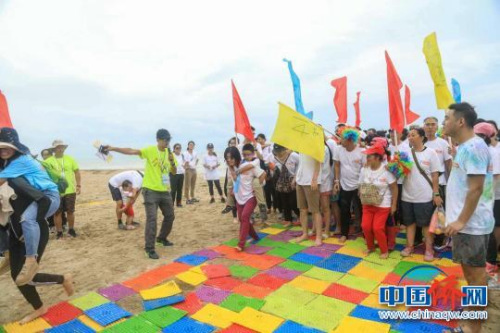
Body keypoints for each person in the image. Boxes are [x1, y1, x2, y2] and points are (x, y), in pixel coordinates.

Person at [443, 103, 494, 333]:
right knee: (472, 275)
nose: (444, 122)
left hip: (471, 226)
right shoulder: (466, 147)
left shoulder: (473, 147)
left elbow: (476, 189)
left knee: (475, 277)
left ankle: (472, 328)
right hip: (467, 225)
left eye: (446, 118)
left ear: (460, 122)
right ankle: (473, 316)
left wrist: (461, 221)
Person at [103, 129, 177, 259]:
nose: (167, 142)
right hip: (150, 190)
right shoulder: (150, 150)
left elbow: (174, 171)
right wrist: (113, 148)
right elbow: (131, 151)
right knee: (152, 219)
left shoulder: (170, 154)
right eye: (165, 139)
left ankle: (161, 238)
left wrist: (171, 161)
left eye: (168, 140)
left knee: (170, 216)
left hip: (164, 190)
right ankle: (149, 249)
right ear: (158, 140)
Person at [0, 128, 61, 286]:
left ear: (15, 147)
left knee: (27, 219)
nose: (3, 150)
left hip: (49, 196)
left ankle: (30, 261)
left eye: (6, 146)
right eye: (0, 147)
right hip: (40, 196)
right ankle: (8, 254)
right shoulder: (14, 161)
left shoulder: (20, 161)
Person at [400, 128, 442, 261]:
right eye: (409, 135)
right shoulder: (405, 152)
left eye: (413, 135)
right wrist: (395, 164)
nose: (410, 137)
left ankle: (429, 249)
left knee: (426, 225)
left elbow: (435, 175)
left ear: (422, 137)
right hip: (407, 195)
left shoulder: (431, 153)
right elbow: (399, 172)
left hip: (424, 196)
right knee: (409, 223)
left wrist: (436, 194)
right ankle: (409, 246)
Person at [359, 142, 398, 259]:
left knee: (377, 228)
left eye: (369, 156)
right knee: (365, 226)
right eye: (367, 156)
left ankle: (384, 250)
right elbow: (360, 184)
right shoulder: (364, 169)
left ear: (377, 157)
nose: (367, 158)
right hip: (367, 203)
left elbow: (394, 188)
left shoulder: (387, 170)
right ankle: (370, 247)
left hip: (383, 205)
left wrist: (394, 204)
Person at [472, 123, 500, 275]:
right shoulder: (479, 151)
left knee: (489, 229)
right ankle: (484, 258)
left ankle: (490, 261)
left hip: (488, 197)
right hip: (479, 196)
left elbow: (495, 177)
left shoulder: (492, 152)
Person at [226, 145, 265, 251]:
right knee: (243, 219)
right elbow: (234, 181)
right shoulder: (230, 168)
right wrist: (233, 190)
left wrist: (257, 185)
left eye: (231, 158)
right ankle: (255, 237)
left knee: (244, 217)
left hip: (251, 197)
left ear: (236, 156)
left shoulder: (248, 165)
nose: (229, 160)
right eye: (227, 158)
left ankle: (241, 244)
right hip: (239, 198)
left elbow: (263, 174)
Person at [42, 140, 81, 239]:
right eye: (58, 147)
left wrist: (78, 185)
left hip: (70, 190)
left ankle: (71, 230)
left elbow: (76, 172)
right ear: (54, 149)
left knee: (70, 211)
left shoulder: (70, 159)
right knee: (57, 212)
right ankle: (59, 232)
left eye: (62, 147)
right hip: (55, 191)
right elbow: (41, 172)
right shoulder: (48, 161)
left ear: (64, 148)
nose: (60, 149)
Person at [333, 127, 365, 243]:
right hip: (344, 185)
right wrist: (337, 181)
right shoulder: (338, 149)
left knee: (361, 210)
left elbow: (365, 168)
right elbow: (336, 165)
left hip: (358, 185)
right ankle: (344, 234)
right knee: (344, 210)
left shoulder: (361, 151)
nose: (340, 141)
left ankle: (365, 232)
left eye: (342, 139)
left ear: (350, 140)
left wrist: (362, 185)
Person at [293, 150, 323, 246]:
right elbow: (301, 163)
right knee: (302, 210)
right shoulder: (301, 143)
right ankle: (305, 233)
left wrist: (314, 178)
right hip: (300, 180)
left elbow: (319, 161)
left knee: (315, 210)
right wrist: (296, 177)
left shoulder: (315, 141)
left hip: (311, 181)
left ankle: (319, 237)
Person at [271, 144, 300, 227]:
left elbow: (301, 165)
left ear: (285, 150)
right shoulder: (275, 156)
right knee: (284, 200)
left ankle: (299, 216)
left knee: (293, 201)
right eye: (277, 152)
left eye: (280, 152)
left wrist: (296, 177)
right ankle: (288, 219)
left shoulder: (293, 155)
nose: (279, 154)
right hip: (282, 180)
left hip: (293, 179)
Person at [319, 138, 335, 238]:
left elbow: (320, 165)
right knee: (319, 207)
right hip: (317, 181)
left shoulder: (324, 148)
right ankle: (319, 228)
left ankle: (327, 230)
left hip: (324, 180)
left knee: (325, 207)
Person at [170, 143, 185, 207]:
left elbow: (183, 164)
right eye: (177, 148)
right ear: (174, 149)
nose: (178, 149)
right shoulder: (171, 155)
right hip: (173, 174)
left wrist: (185, 166)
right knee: (173, 190)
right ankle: (171, 204)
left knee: (179, 189)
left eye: (179, 148)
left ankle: (179, 203)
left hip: (181, 174)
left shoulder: (182, 155)